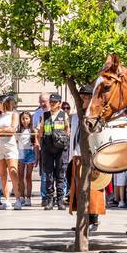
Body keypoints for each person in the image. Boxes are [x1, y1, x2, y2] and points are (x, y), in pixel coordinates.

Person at [68, 86, 105, 234]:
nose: (83, 100)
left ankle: (93, 219)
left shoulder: (96, 115)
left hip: (91, 155)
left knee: (93, 189)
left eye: (86, 97)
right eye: (81, 97)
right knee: (79, 190)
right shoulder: (76, 115)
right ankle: (82, 219)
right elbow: (73, 136)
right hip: (77, 155)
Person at [37, 94, 69, 209]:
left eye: (54, 102)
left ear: (60, 103)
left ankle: (60, 200)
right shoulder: (45, 115)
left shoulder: (63, 115)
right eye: (51, 102)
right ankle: (50, 200)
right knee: (49, 174)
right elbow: (40, 131)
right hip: (47, 147)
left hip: (60, 148)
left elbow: (67, 130)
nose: (52, 104)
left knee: (60, 174)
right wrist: (41, 145)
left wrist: (64, 141)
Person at [0, 94, 21, 210]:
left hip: (10, 145)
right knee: (2, 174)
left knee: (13, 172)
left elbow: (12, 130)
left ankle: (18, 199)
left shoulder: (14, 114)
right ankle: (6, 200)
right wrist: (3, 131)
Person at [18, 110, 36, 207]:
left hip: (30, 153)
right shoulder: (18, 131)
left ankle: (28, 198)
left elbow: (36, 144)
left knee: (28, 177)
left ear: (30, 119)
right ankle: (21, 197)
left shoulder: (32, 131)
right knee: (20, 176)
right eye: (23, 119)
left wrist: (37, 157)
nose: (25, 121)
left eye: (27, 118)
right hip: (20, 153)